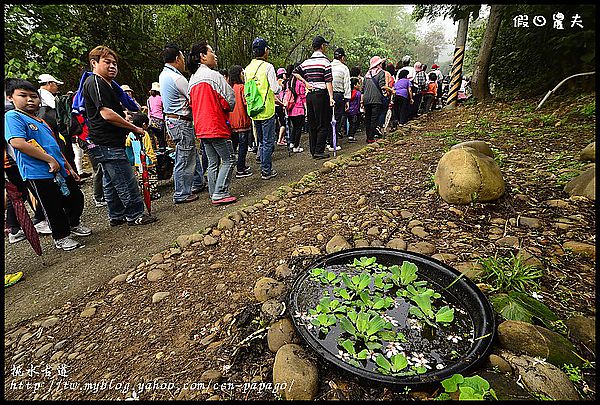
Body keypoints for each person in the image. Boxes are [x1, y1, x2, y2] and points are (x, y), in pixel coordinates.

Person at [5, 79, 91, 250]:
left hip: (59, 169)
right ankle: (61, 237)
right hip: (37, 172)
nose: (30, 100)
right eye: (23, 95)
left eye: (34, 96)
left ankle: (73, 224)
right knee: (52, 206)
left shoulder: (41, 120)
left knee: (75, 198)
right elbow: (17, 142)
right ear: (10, 98)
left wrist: (68, 167)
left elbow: (54, 146)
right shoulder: (12, 116)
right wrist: (48, 160)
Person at [82, 45, 157, 226]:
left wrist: (126, 116)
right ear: (94, 63)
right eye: (107, 62)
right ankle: (135, 214)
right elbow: (106, 114)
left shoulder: (107, 85)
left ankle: (116, 215)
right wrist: (134, 128)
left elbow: (113, 111)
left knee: (111, 180)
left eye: (115, 63)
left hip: (107, 141)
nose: (112, 66)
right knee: (125, 178)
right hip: (106, 142)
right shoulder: (96, 82)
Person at [187, 41, 237, 205]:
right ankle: (220, 192)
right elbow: (229, 100)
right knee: (229, 159)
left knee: (213, 161)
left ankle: (214, 192)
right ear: (202, 56)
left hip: (201, 128)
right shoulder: (214, 76)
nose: (214, 55)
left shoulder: (192, 80)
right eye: (211, 51)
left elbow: (191, 104)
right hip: (215, 125)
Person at [158, 43, 205, 204]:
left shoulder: (163, 75)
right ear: (177, 58)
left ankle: (198, 182)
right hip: (180, 121)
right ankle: (181, 193)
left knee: (189, 152)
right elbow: (193, 98)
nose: (184, 61)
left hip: (172, 120)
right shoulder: (177, 78)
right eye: (183, 58)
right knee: (184, 156)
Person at [293, 35, 334, 159]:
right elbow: (328, 81)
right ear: (322, 46)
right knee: (323, 123)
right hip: (321, 95)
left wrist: (305, 82)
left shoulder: (306, 62)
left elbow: (295, 72)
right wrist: (331, 97)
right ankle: (319, 151)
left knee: (312, 123)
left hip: (309, 95)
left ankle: (313, 150)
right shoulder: (325, 62)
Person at [245, 37, 281, 178]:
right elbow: (275, 88)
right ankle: (266, 170)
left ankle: (263, 164)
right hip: (266, 109)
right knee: (268, 141)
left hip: (254, 110)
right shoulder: (268, 67)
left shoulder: (247, 69)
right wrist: (280, 86)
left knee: (261, 140)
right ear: (265, 51)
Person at [125, 112, 160, 200]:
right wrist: (153, 158)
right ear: (144, 124)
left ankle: (145, 193)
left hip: (138, 162)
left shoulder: (131, 134)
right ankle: (152, 193)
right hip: (147, 161)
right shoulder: (145, 134)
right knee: (151, 178)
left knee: (142, 178)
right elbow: (148, 148)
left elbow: (127, 144)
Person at [228, 64, 253, 178]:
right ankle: (240, 169)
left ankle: (233, 167)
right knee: (243, 147)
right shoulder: (242, 88)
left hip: (232, 123)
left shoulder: (229, 88)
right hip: (242, 121)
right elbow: (246, 102)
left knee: (234, 147)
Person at [362, 56, 391, 144]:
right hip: (376, 99)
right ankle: (371, 138)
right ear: (378, 64)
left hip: (366, 99)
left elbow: (363, 89)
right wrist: (391, 90)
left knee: (368, 118)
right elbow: (382, 86)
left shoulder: (367, 74)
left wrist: (362, 101)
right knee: (374, 118)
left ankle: (368, 137)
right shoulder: (381, 73)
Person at [284, 64, 307, 153]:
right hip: (299, 108)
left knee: (294, 127)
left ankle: (292, 143)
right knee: (298, 128)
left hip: (290, 109)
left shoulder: (289, 82)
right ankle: (296, 146)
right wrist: (306, 109)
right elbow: (303, 97)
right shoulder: (300, 82)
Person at [331, 47, 351, 149]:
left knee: (328, 117)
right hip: (339, 95)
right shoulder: (344, 68)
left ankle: (327, 141)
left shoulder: (328, 66)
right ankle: (333, 143)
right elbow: (347, 84)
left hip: (328, 94)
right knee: (337, 119)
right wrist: (347, 99)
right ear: (342, 57)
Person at [147, 82, 166, 152]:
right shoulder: (161, 98)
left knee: (154, 137)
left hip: (152, 120)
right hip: (160, 119)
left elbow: (149, 110)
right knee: (161, 138)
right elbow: (164, 109)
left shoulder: (149, 99)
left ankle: (154, 150)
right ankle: (163, 151)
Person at [275, 67, 288, 146]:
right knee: (283, 122)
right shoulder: (282, 82)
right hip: (281, 103)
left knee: (278, 123)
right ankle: (280, 139)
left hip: (275, 104)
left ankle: (281, 139)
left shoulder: (275, 82)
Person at [346, 78, 361, 143]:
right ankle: (351, 136)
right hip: (355, 111)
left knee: (350, 122)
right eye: (358, 83)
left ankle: (349, 134)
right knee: (354, 123)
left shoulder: (348, 93)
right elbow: (358, 103)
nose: (359, 85)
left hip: (348, 110)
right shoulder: (358, 93)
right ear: (355, 85)